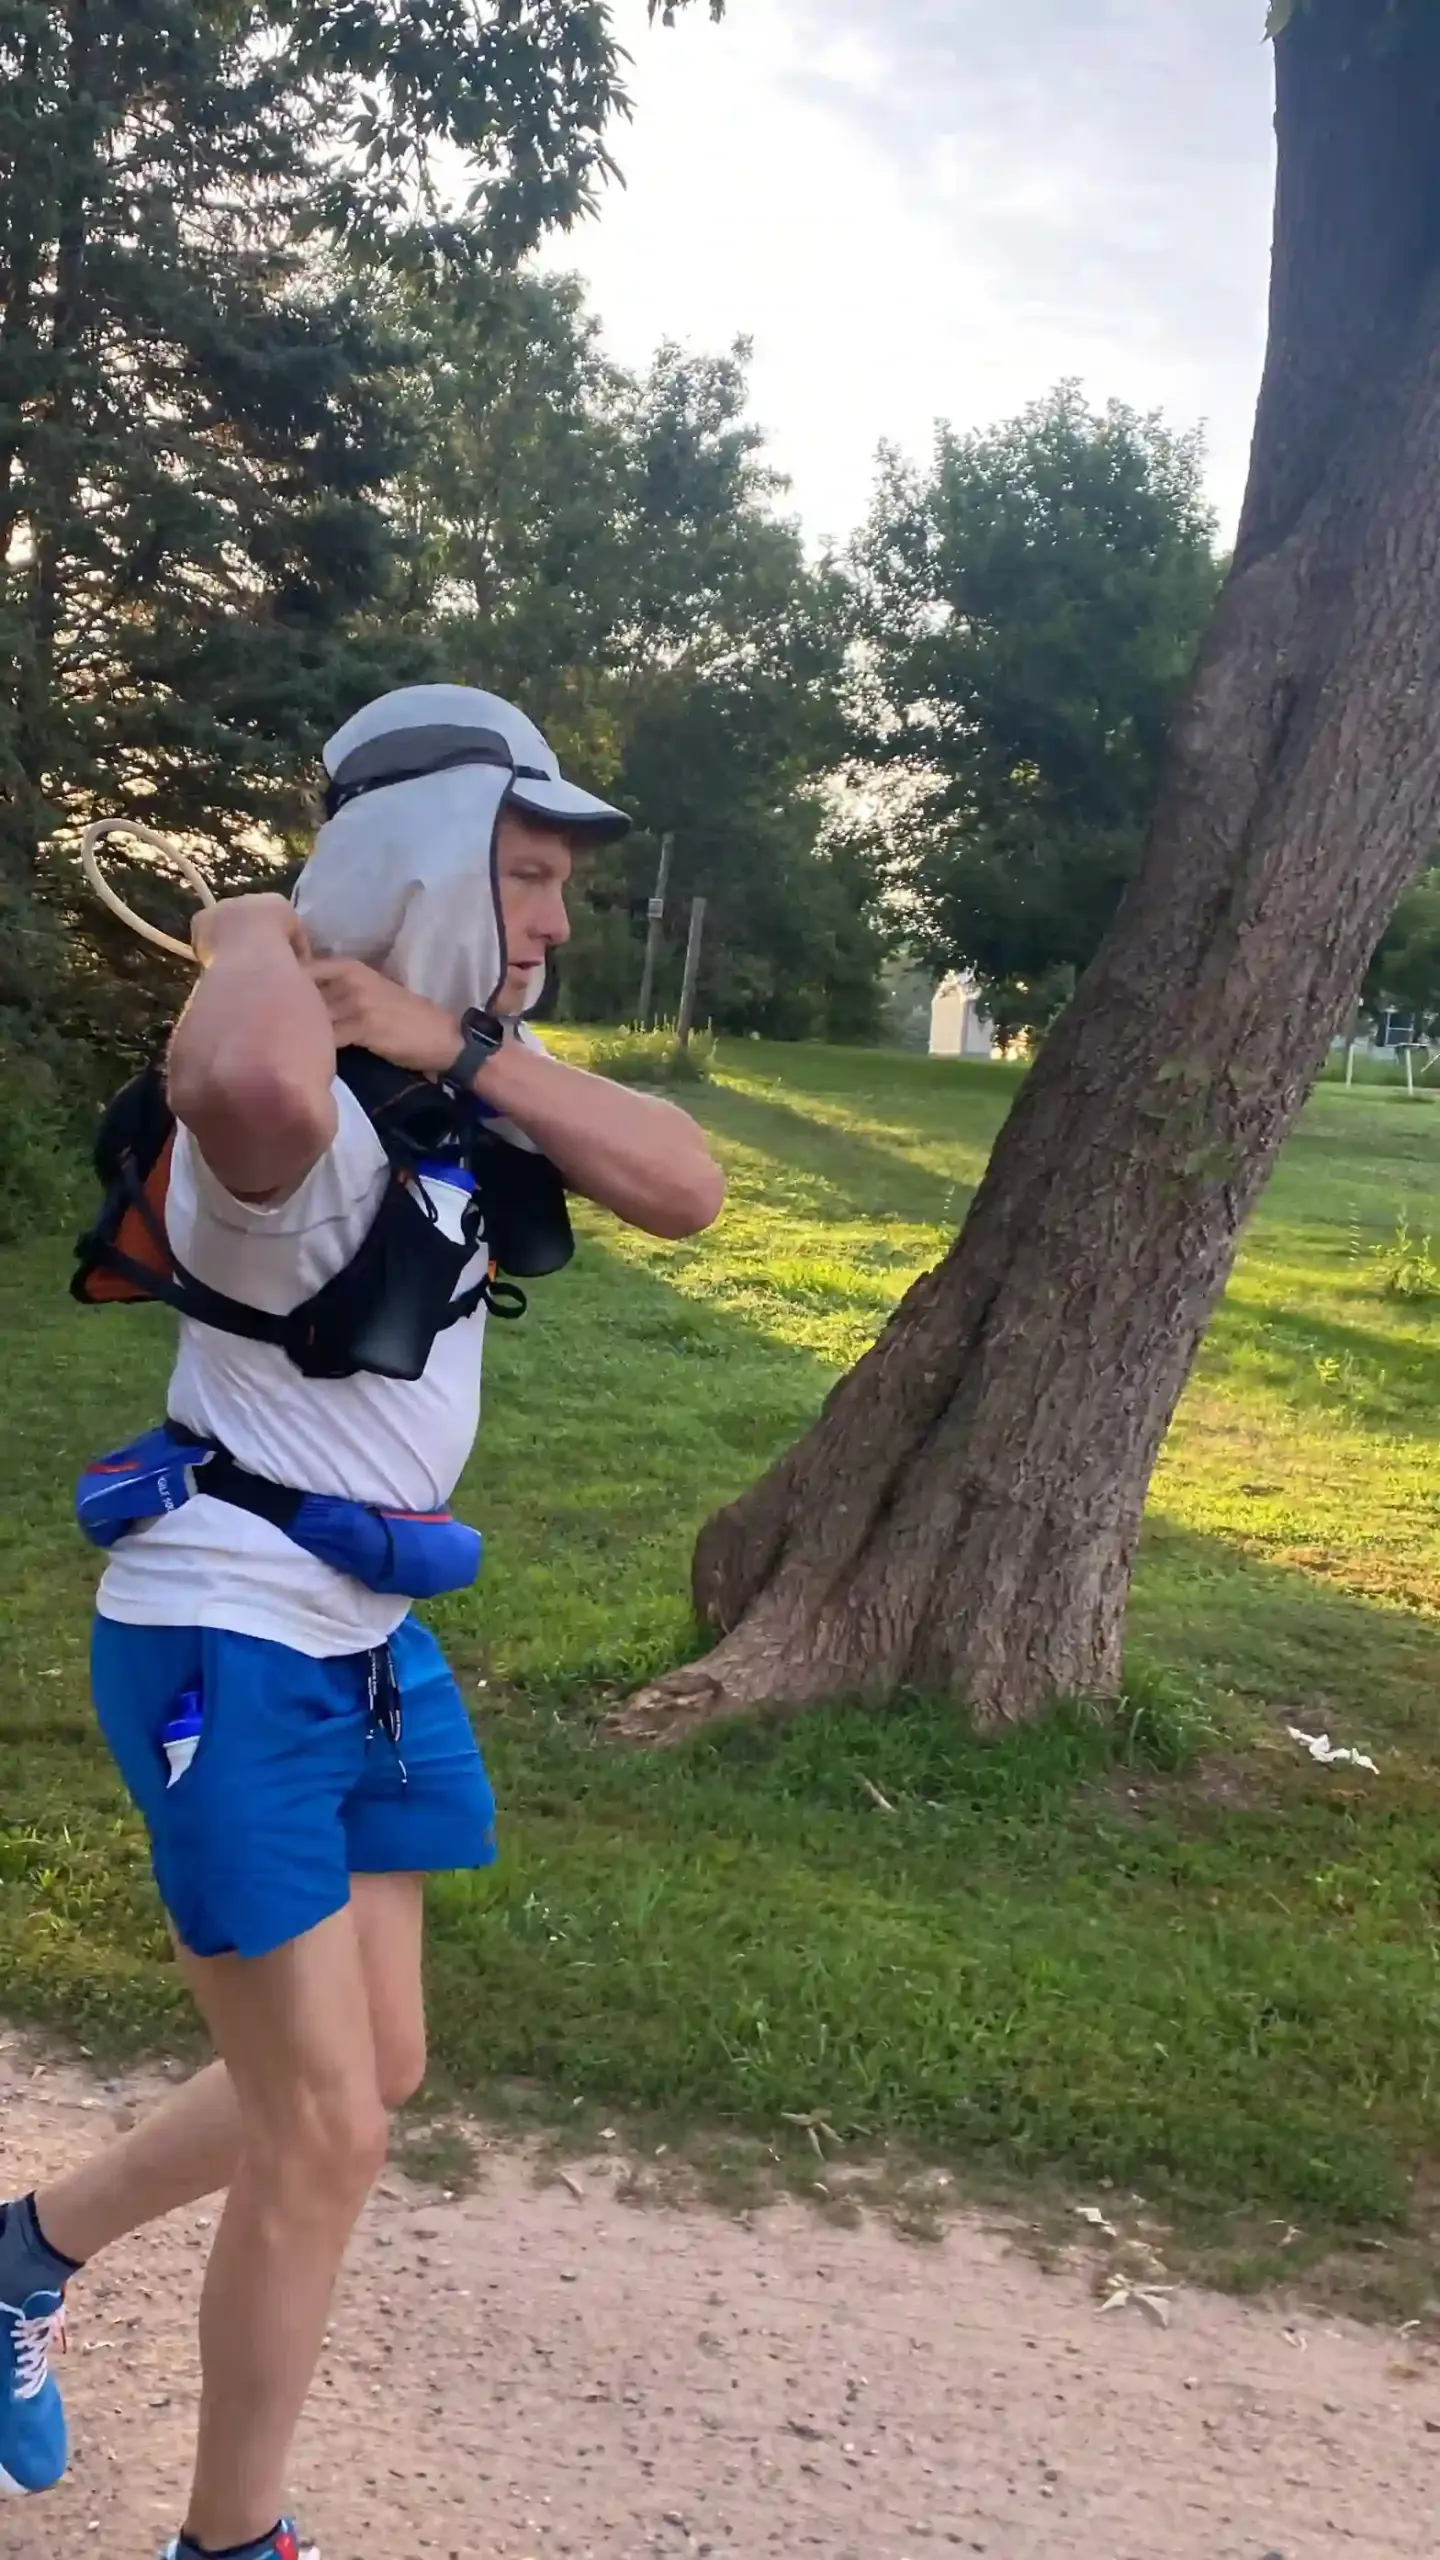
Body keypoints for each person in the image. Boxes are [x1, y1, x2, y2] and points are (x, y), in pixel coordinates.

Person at [0, 685, 725, 2559]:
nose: (556, 924)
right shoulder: (295, 1105)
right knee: (326, 2130)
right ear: (421, 868)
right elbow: (234, 1084)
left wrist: (445, 1033)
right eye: (531, 876)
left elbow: (690, 1186)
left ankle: (24, 2249)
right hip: (226, 1635)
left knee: (367, 2074)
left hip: (368, 1643)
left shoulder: (425, 1083)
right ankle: (230, 2546)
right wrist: (260, 927)